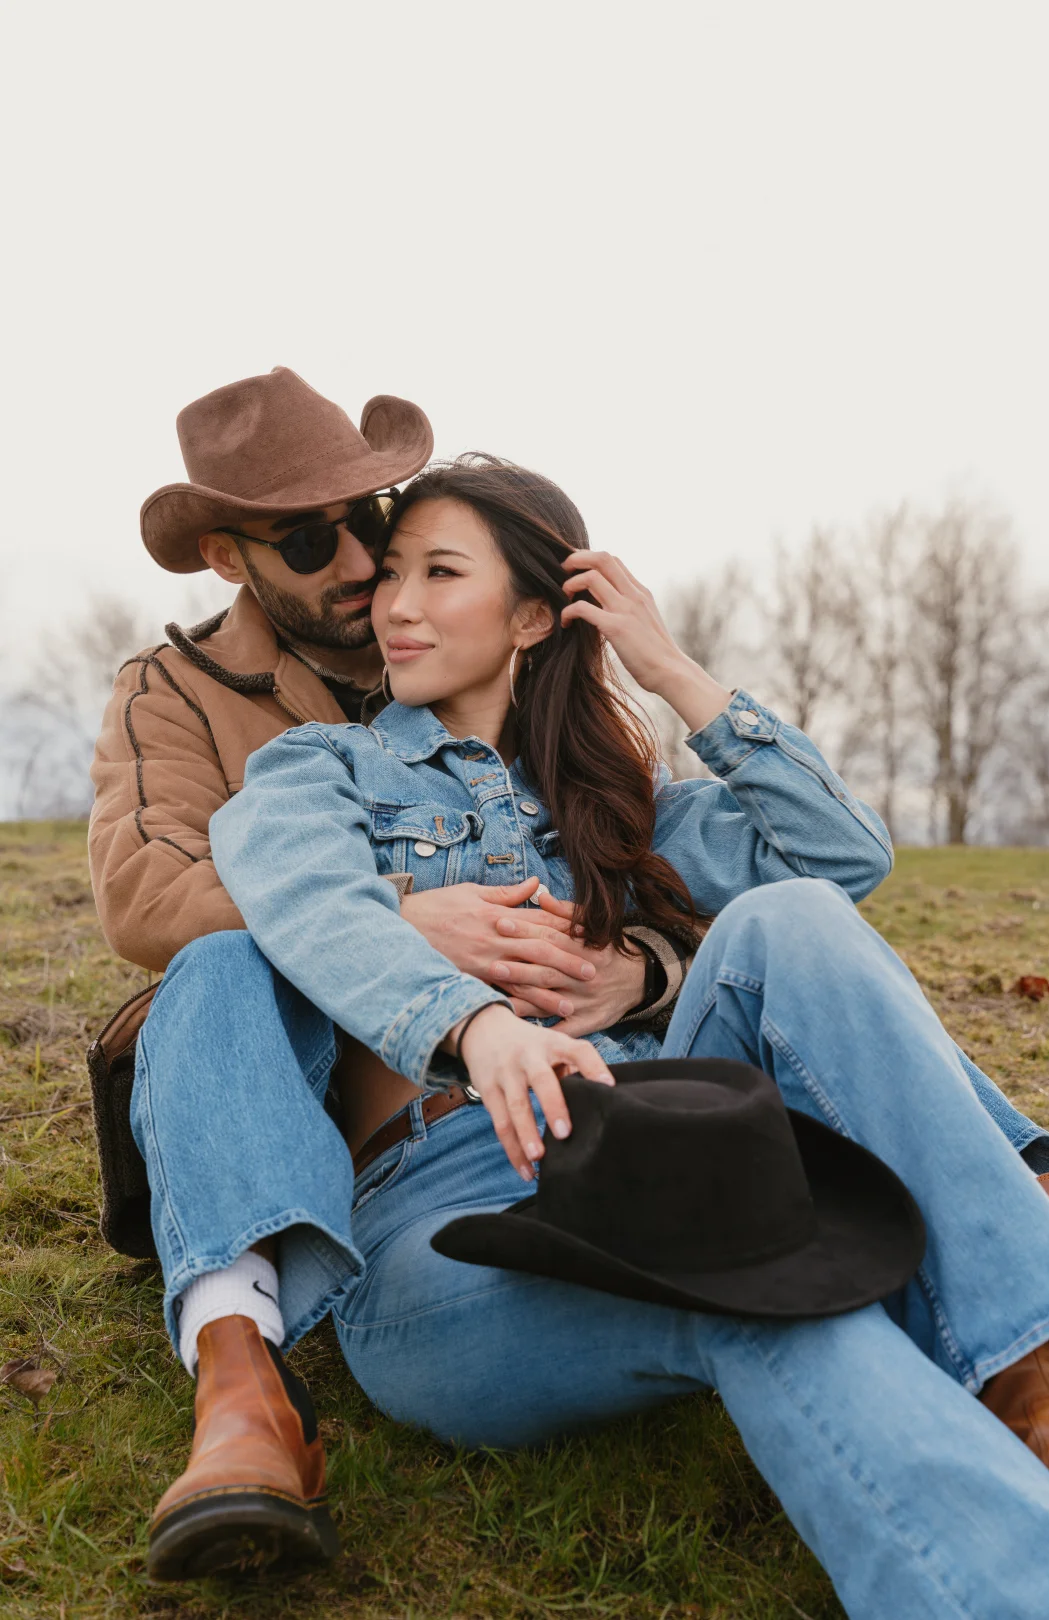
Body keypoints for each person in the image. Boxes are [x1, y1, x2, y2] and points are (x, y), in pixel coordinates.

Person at [193, 455, 1049, 1615]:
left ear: (528, 616)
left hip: (652, 1143)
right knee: (740, 1281)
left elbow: (845, 860)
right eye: (392, 573)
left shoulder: (624, 795)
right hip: (443, 1215)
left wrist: (665, 669)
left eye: (437, 573)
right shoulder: (322, 772)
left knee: (793, 921)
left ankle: (1032, 1390)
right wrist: (475, 1026)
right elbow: (304, 904)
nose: (394, 606)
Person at [88, 367, 692, 1261]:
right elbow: (146, 893)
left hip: (531, 1058)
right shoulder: (169, 689)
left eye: (368, 520)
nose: (364, 566)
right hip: (313, 1059)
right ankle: (250, 1278)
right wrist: (396, 915)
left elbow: (643, 857)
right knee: (220, 966)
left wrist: (644, 967)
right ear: (226, 558)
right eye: (304, 542)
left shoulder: (455, 648)